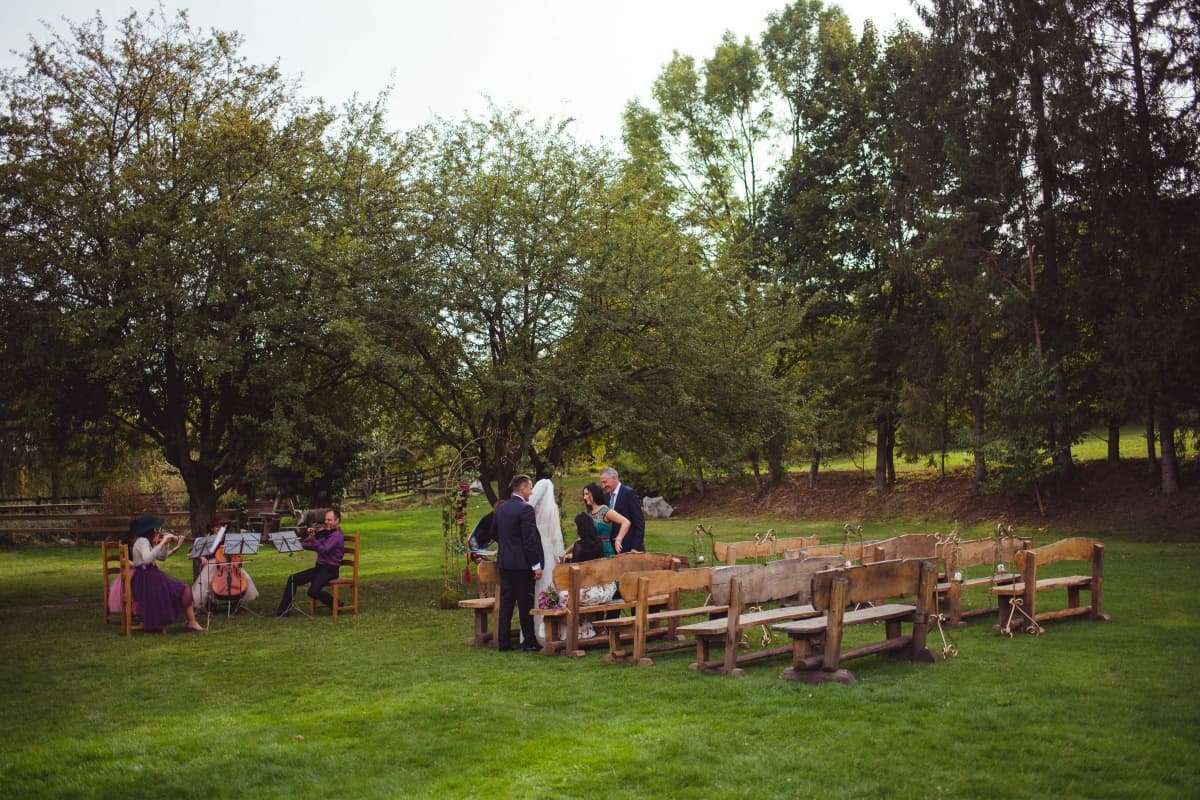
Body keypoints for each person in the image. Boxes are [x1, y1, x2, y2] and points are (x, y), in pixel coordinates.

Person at [127, 514, 205, 633]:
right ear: (150, 529)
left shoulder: (146, 541)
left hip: (149, 576)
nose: (157, 531)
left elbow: (162, 557)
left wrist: (166, 543)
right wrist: (162, 541)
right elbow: (148, 559)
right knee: (183, 589)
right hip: (145, 578)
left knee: (181, 588)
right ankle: (192, 622)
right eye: (155, 528)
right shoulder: (142, 541)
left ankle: (191, 621)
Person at [494, 474, 544, 652]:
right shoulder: (525, 509)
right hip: (522, 564)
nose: (531, 491)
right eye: (530, 487)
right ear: (522, 488)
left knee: (506, 602)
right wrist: (536, 565)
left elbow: (495, 532)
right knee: (525, 603)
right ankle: (529, 641)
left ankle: (503, 642)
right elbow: (529, 540)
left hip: (505, 562)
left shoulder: (502, 509)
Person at [274, 508, 344, 617]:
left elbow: (324, 549)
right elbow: (313, 545)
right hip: (319, 568)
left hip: (330, 570)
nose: (326, 522)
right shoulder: (326, 533)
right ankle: (283, 611)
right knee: (293, 579)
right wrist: (296, 544)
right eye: (326, 520)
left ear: (337, 521)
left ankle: (337, 604)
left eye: (329, 520)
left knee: (313, 591)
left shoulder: (336, 536)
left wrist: (313, 539)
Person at [191, 514, 259, 611]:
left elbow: (236, 553)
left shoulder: (228, 539)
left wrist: (235, 552)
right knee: (207, 581)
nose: (218, 529)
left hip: (229, 564)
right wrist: (202, 557)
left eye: (220, 527)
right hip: (213, 564)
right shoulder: (207, 539)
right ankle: (211, 604)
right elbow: (194, 551)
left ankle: (236, 604)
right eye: (216, 527)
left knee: (245, 578)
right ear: (212, 528)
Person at [560, 513, 617, 626]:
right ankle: (597, 626)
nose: (575, 528)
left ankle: (580, 629)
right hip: (602, 589)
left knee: (562, 595)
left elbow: (575, 568)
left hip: (586, 592)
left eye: (576, 525)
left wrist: (568, 559)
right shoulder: (599, 543)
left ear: (580, 527)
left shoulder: (579, 545)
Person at [599, 467, 645, 553]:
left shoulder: (629, 493)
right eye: (602, 483)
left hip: (630, 547)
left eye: (605, 482)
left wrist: (635, 547)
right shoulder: (606, 497)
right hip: (613, 548)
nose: (603, 486)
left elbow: (639, 522)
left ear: (614, 478)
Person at [582, 481, 630, 557]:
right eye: (584, 495)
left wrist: (618, 539)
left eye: (587, 494)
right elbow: (582, 537)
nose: (584, 497)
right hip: (591, 552)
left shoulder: (605, 510)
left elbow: (626, 522)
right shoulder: (589, 514)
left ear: (594, 494)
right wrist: (566, 552)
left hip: (604, 551)